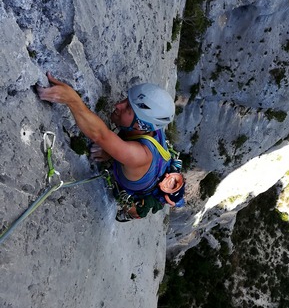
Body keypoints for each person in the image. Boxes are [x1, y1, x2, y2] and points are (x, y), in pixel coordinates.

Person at [37, 72, 183, 220]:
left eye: (127, 109)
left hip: (143, 189)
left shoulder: (140, 156)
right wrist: (112, 151)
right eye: (126, 100)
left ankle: (130, 212)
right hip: (151, 168)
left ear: (140, 125)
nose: (118, 105)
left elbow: (100, 135)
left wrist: (72, 100)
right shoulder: (149, 126)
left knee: (136, 210)